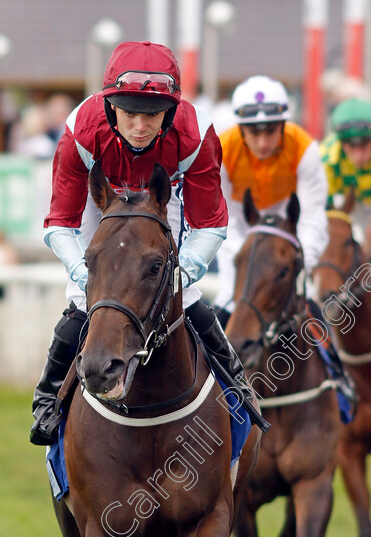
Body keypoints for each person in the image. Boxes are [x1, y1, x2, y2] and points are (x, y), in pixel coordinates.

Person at [30, 40, 267, 446]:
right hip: (100, 200)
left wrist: (185, 269)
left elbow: (210, 223)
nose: (140, 128)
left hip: (162, 197)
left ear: (171, 111)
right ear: (110, 108)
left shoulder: (196, 134)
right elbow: (60, 224)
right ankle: (47, 399)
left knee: (185, 295)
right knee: (85, 296)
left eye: (153, 116)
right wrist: (82, 270)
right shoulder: (81, 131)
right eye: (129, 114)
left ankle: (238, 388)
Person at [214, 74, 356, 412]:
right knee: (224, 300)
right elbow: (221, 216)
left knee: (311, 302)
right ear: (241, 130)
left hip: (288, 221)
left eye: (270, 130)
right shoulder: (220, 149)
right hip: (242, 226)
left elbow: (312, 215)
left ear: (283, 125)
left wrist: (297, 260)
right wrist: (245, 261)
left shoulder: (304, 146)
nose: (263, 140)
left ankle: (339, 377)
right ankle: (214, 390)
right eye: (254, 132)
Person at [320, 98, 371, 290]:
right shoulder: (326, 156)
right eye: (350, 145)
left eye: (364, 144)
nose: (358, 155)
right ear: (341, 142)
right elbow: (323, 215)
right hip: (351, 200)